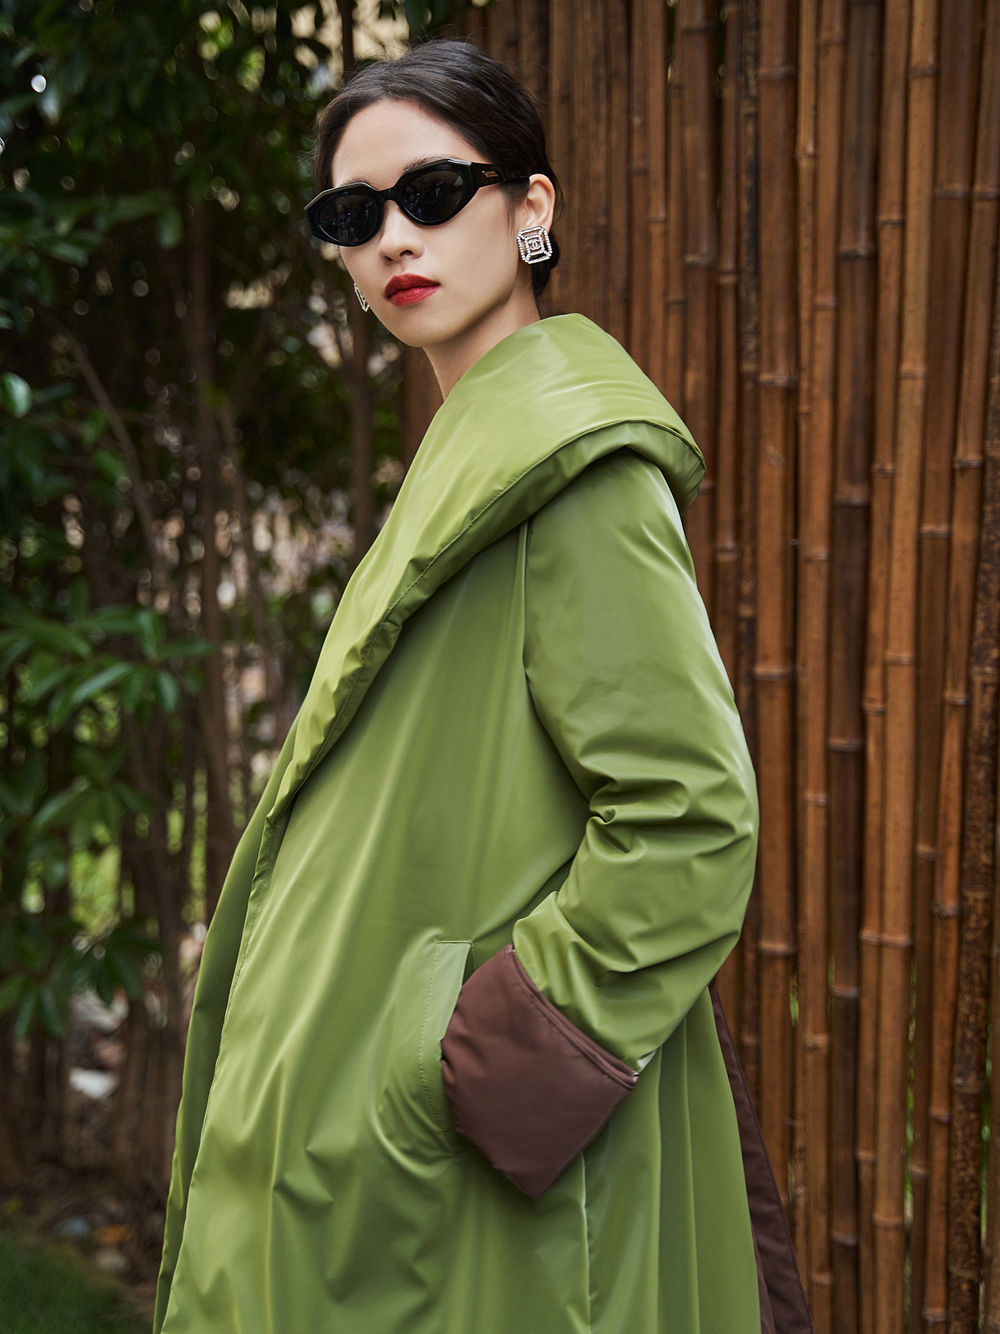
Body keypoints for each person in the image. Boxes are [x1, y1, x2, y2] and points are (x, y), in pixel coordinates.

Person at [154, 39, 811, 1334]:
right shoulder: (478, 450)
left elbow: (688, 815)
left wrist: (478, 1060)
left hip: (453, 1171)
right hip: (370, 1152)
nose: (394, 236)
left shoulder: (573, 470)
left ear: (530, 208)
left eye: (434, 192)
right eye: (353, 214)